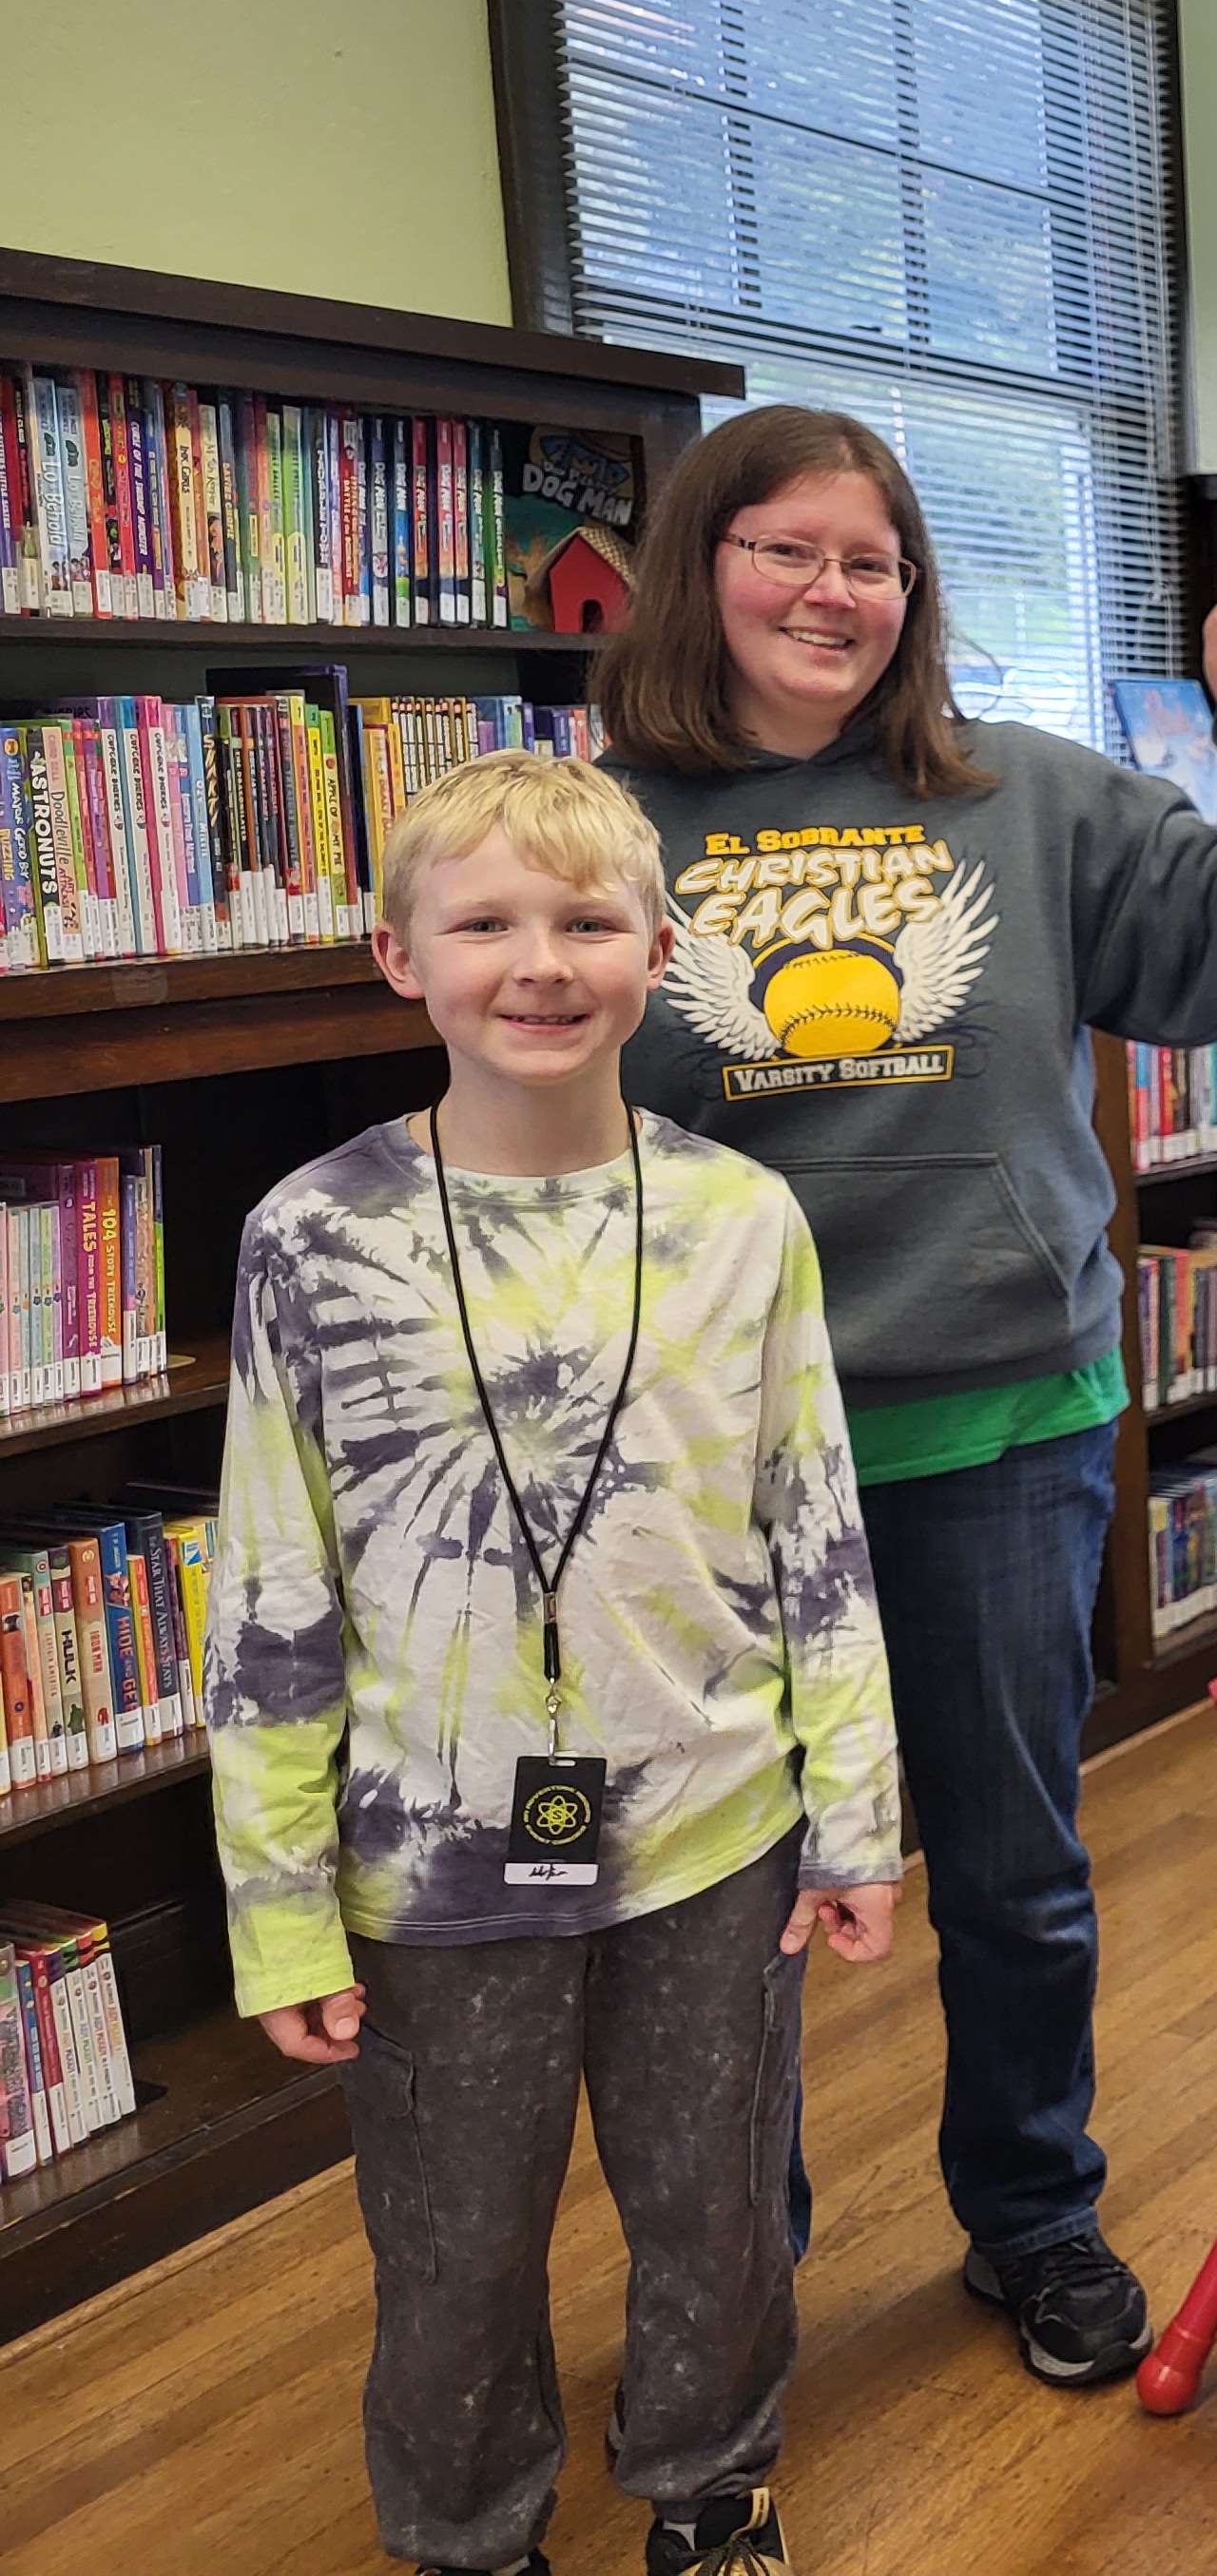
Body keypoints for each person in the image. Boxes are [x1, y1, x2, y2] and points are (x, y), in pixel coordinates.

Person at [595, 405, 1217, 2389]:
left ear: (913, 594)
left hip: (995, 1428)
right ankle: (739, 2270)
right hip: (704, 1458)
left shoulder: (1032, 797)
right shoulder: (601, 824)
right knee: (719, 1901)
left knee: (1017, 1873)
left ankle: (1035, 2215)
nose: (831, 592)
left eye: (869, 562)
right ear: (702, 569)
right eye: (786, 550)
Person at [205, 751, 903, 2576]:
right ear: (398, 957)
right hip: (424, 1863)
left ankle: (711, 2479)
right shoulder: (311, 1235)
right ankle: (464, 2531)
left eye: (589, 921)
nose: (539, 962)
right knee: (452, 2243)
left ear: (660, 952)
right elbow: (272, 1592)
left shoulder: (744, 1219)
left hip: (714, 1833)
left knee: (718, 2207)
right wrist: (278, 1906)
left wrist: (854, 1820)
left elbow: (816, 1532)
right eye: (484, 924)